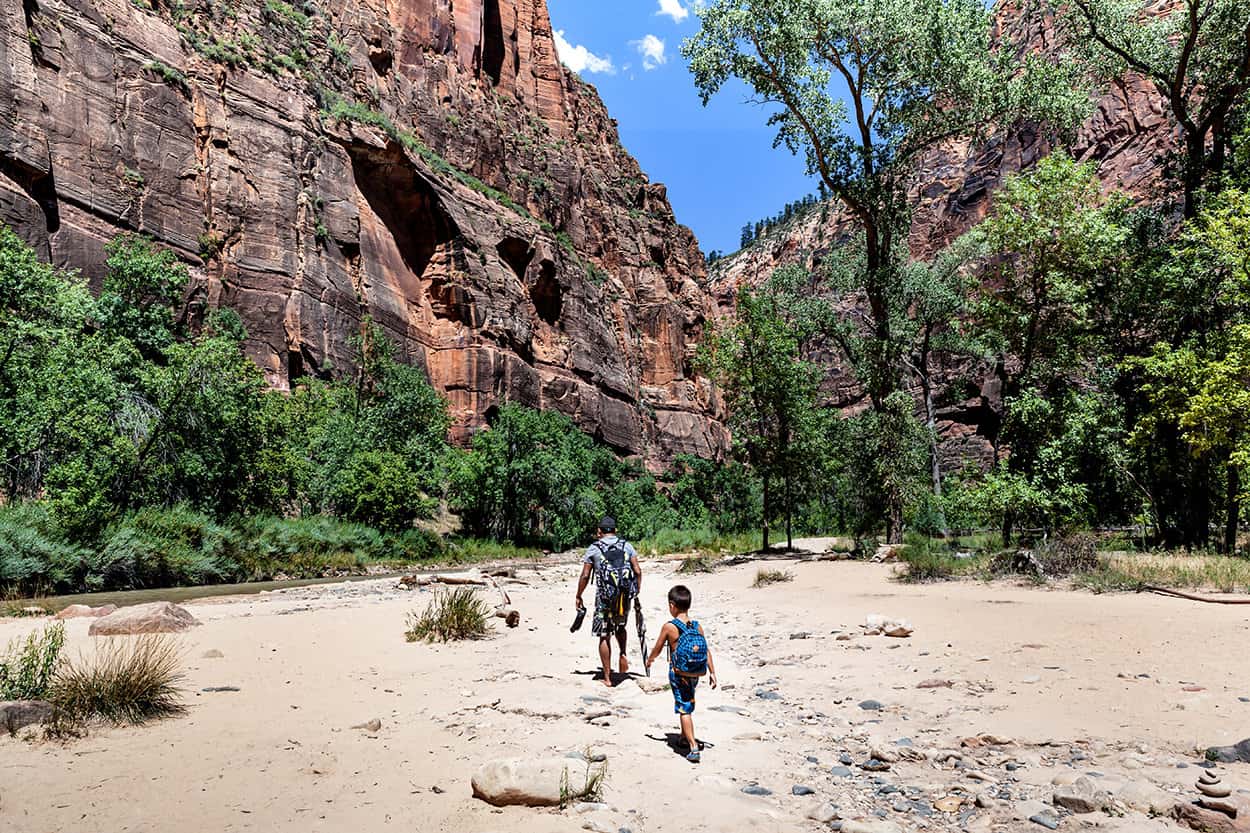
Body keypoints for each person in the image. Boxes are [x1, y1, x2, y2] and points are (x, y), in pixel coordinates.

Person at [645, 584, 717, 763]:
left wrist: (650, 659)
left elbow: (658, 647)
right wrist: (712, 672)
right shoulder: (697, 626)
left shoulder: (669, 627)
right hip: (696, 672)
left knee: (684, 709)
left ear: (672, 605)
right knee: (688, 700)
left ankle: (693, 747)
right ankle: (684, 737)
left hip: (679, 673)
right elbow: (706, 650)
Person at [575, 516, 642, 688]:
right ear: (615, 530)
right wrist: (636, 590)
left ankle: (607, 677)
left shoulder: (594, 548)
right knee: (620, 626)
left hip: (604, 599)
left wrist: (579, 595)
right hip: (623, 596)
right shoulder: (626, 545)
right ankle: (623, 654)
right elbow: (638, 570)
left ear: (599, 532)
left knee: (604, 634)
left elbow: (584, 575)